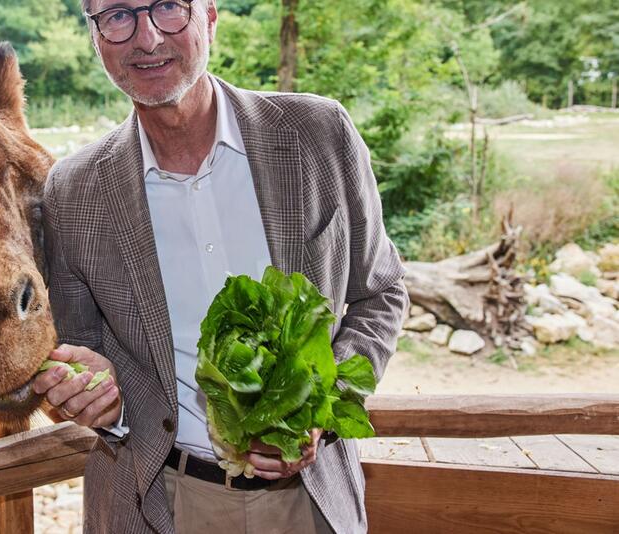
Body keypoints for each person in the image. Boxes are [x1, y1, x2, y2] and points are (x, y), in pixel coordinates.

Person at [32, 0, 409, 532]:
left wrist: (317, 411)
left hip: (311, 499)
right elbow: (82, 351)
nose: (146, 37)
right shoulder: (72, 190)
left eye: (167, 7)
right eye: (117, 15)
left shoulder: (319, 133)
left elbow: (382, 293)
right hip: (155, 501)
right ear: (95, 37)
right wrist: (95, 400)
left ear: (209, 16)